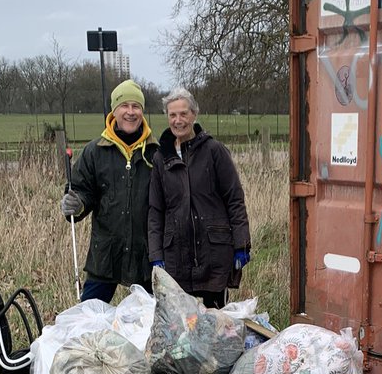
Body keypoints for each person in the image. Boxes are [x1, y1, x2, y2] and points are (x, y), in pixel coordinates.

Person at [147, 87, 251, 309]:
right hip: (177, 255)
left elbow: (234, 198)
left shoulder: (214, 151)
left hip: (214, 252)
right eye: (172, 115)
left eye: (183, 114)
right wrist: (156, 254)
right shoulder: (160, 158)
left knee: (216, 324)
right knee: (181, 324)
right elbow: (156, 210)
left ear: (194, 114)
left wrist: (241, 244)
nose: (178, 120)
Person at [60, 79, 158, 303]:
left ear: (142, 111)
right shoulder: (94, 151)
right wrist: (76, 204)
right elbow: (82, 191)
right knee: (88, 319)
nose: (130, 112)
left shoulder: (156, 153)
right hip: (105, 254)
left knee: (153, 324)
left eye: (136, 106)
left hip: (146, 256)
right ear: (114, 110)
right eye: (124, 106)